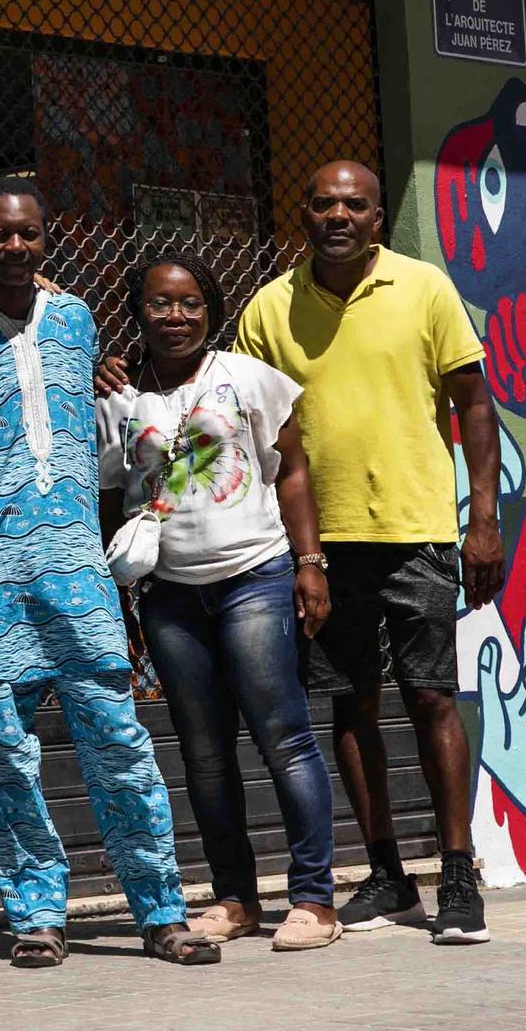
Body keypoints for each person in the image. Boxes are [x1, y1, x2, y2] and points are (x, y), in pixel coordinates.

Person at [0, 177, 214, 970]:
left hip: (76, 566)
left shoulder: (75, 320)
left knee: (118, 739)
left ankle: (161, 909)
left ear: (48, 240)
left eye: (29, 235)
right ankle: (38, 914)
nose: (15, 247)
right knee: (6, 755)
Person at [232, 160, 504, 945]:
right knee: (347, 702)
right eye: (324, 204)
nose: (339, 216)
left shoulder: (425, 288)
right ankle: (386, 872)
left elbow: (475, 405)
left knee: (431, 698)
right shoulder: (267, 309)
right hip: (319, 543)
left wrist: (481, 520)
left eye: (355, 205)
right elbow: (242, 421)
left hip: (416, 528)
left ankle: (457, 873)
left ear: (378, 217)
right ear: (304, 214)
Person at [98, 252, 340, 953]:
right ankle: (235, 897)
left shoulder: (247, 377)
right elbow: (116, 492)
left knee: (283, 737)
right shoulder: (117, 398)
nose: (175, 317)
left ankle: (314, 899)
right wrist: (119, 587)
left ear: (211, 308)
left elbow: (293, 471)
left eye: (189, 304)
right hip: (170, 594)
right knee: (204, 754)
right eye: (159, 304)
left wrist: (310, 563)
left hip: (254, 577)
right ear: (138, 311)